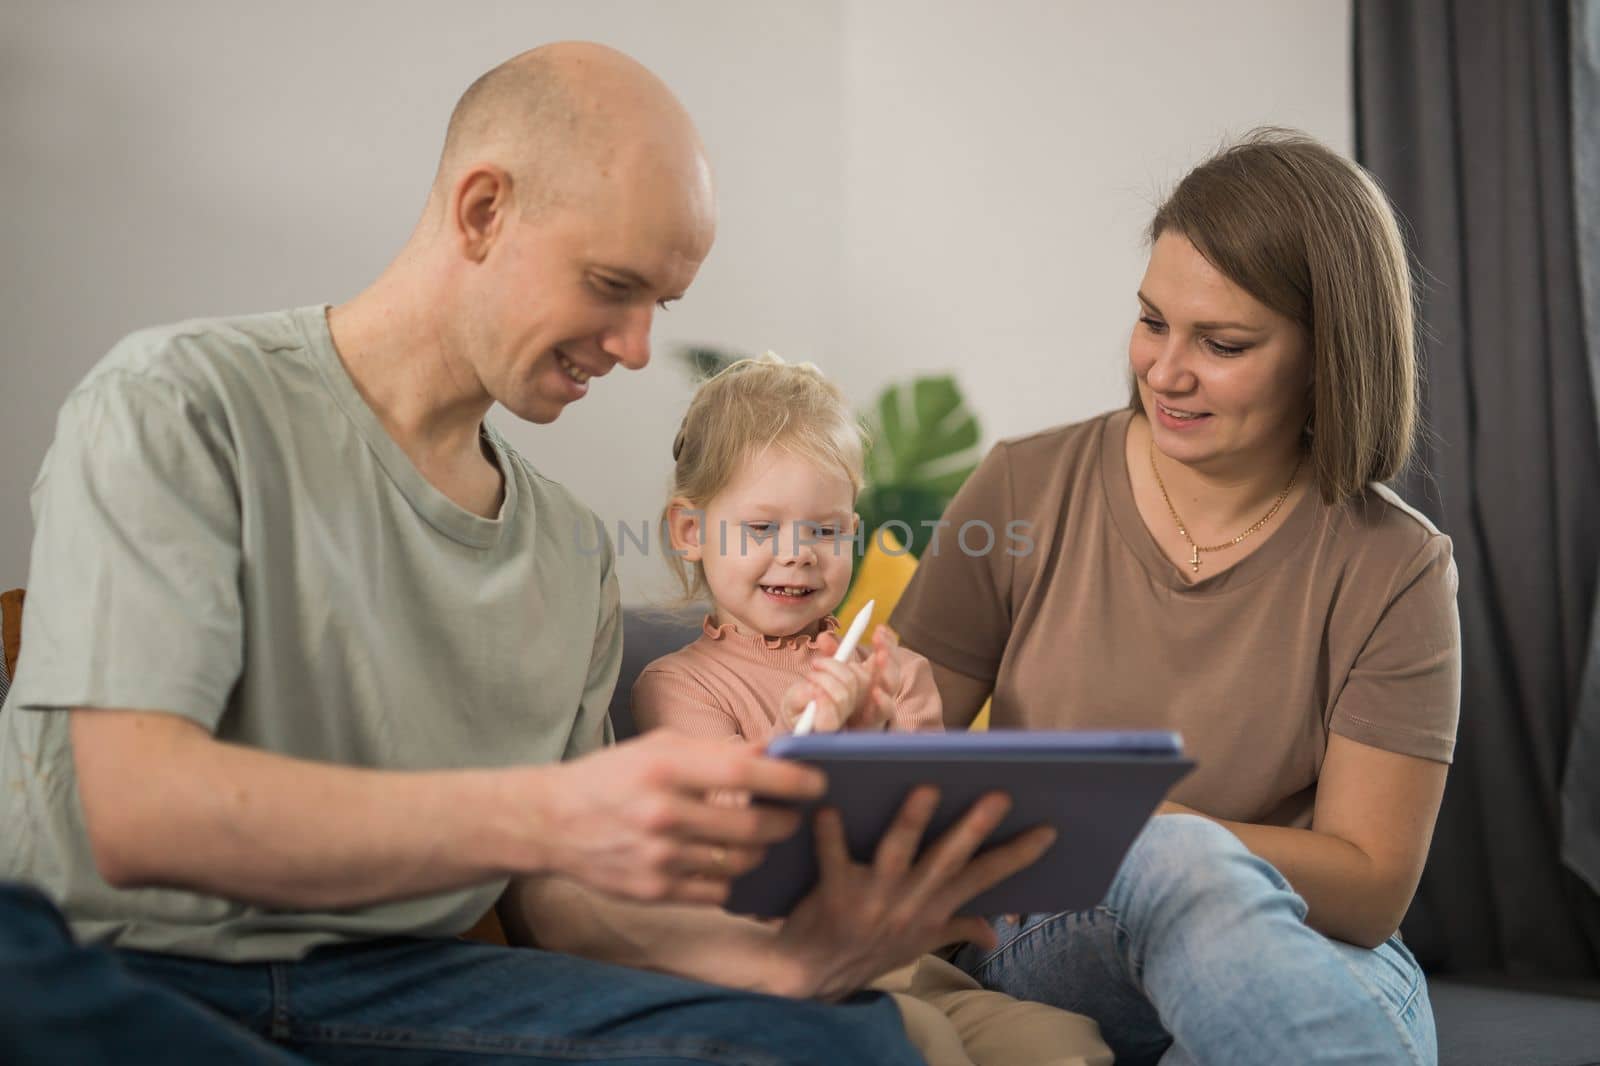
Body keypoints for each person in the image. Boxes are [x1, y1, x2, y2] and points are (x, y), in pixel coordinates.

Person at [0, 42, 1054, 1064]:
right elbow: (133, 810)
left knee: (845, 1041)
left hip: (401, 984)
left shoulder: (564, 550)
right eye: (612, 284)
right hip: (122, 965)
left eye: (662, 307)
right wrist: (548, 812)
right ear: (483, 209)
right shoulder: (181, 401)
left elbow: (563, 905)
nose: (640, 347)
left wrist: (785, 962)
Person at [891, 129, 1460, 1066]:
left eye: (1223, 343)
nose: (1165, 370)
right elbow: (896, 770)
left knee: (1248, 954)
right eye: (1154, 321)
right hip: (1052, 934)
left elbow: (1369, 889)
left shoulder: (1394, 564)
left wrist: (1141, 821)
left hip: (1309, 943)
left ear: (1329, 354)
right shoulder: (1023, 488)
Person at [632, 354, 1111, 1066]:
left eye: (825, 531)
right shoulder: (677, 687)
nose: (797, 555)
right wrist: (816, 748)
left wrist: (880, 728)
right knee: (925, 1045)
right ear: (690, 531)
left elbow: (936, 822)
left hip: (922, 970)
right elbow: (736, 848)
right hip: (785, 971)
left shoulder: (892, 668)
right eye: (762, 529)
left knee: (1066, 1041)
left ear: (852, 534)